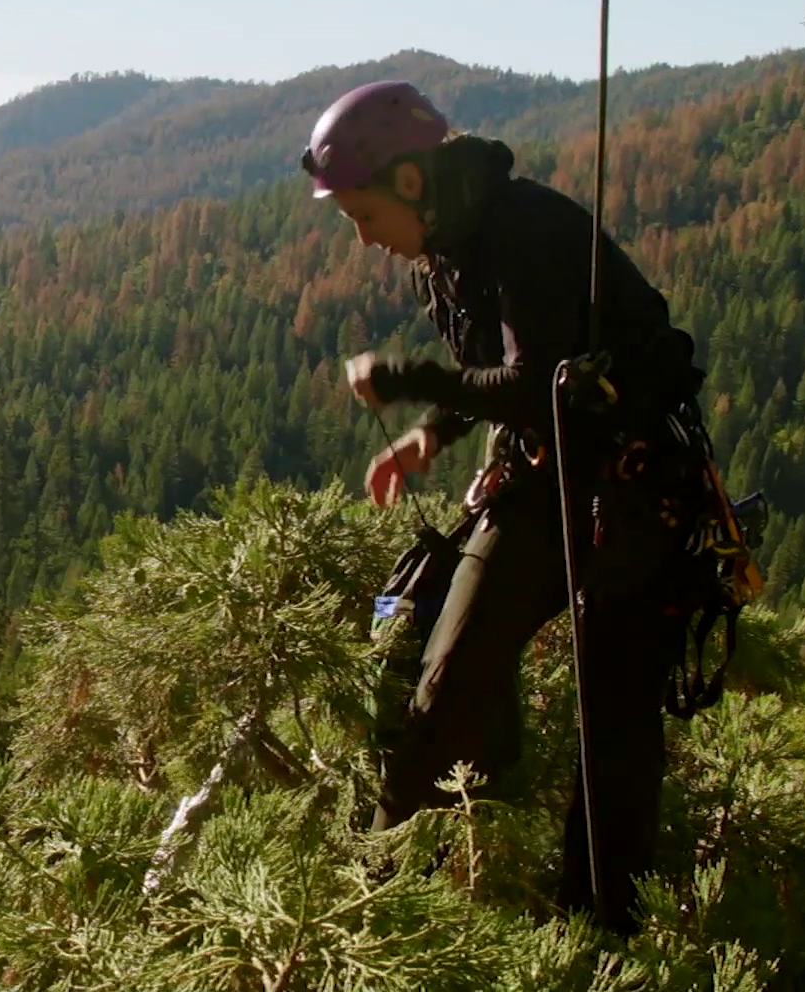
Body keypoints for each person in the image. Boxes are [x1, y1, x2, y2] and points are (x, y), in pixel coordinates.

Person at [301, 79, 711, 935]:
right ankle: (373, 912)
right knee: (443, 687)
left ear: (411, 182)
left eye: (365, 216)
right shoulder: (445, 255)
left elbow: (536, 386)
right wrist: (434, 435)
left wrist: (408, 381)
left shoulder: (529, 231)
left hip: (633, 497)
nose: (368, 240)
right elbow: (501, 367)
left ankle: (595, 945)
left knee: (614, 744)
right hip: (542, 483)